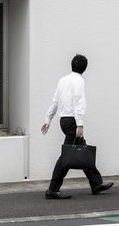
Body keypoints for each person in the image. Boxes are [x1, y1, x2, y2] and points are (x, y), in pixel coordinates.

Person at [41, 54, 114, 199]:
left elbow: (55, 101)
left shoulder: (63, 80)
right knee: (67, 157)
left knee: (82, 150)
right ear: (85, 68)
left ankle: (96, 184)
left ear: (72, 65)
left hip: (64, 120)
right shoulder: (79, 81)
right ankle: (52, 190)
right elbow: (78, 103)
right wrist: (79, 124)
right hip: (73, 121)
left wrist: (48, 118)